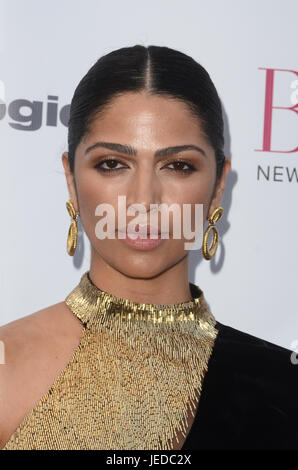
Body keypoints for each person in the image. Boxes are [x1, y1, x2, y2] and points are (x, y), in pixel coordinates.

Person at [0, 44, 297, 451]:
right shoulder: (5, 368)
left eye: (178, 166)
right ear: (71, 177)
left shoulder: (283, 383)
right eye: (112, 164)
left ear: (218, 185)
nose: (143, 200)